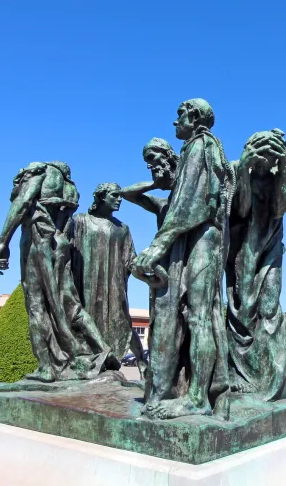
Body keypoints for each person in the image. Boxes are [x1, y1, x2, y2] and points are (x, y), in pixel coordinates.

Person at [132, 98, 233, 420]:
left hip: (203, 239)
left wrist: (156, 247)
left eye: (179, 116)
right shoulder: (208, 148)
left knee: (199, 317)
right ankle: (192, 391)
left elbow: (191, 205)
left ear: (193, 117)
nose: (175, 123)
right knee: (197, 316)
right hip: (203, 238)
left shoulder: (199, 146)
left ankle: (198, 399)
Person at [0, 162, 113, 383]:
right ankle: (103, 349)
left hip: (38, 242)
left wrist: (3, 242)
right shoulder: (70, 187)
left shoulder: (40, 173)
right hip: (61, 245)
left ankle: (46, 367)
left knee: (37, 304)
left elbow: (23, 203)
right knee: (69, 303)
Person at [226, 129, 286, 400]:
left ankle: (274, 365)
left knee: (269, 306)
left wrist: (281, 172)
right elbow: (242, 209)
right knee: (243, 307)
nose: (267, 161)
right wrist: (244, 171)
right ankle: (240, 371)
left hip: (270, 243)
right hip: (242, 245)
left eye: (273, 156)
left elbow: (280, 208)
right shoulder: (236, 169)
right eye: (263, 156)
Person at [121, 138, 186, 402]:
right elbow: (127, 194)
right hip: (161, 274)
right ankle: (162, 384)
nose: (151, 167)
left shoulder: (188, 197)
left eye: (155, 160)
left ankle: (180, 385)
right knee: (160, 328)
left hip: (185, 269)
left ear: (170, 158)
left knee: (185, 327)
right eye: (148, 164)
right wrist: (155, 183)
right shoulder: (162, 204)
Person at [69, 182, 146, 377]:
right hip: (85, 286)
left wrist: (147, 269)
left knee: (123, 322)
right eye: (115, 195)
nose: (120, 199)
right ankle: (92, 359)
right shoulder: (79, 222)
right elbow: (65, 251)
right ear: (101, 197)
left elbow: (131, 260)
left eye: (120, 196)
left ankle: (143, 363)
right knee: (84, 322)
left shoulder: (122, 229)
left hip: (114, 286)